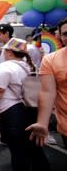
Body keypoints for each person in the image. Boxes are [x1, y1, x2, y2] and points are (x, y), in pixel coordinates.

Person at [0, 38, 49, 170]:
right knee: (34, 148)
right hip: (29, 109)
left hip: (11, 112)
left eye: (5, 51)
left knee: (17, 150)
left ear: (9, 52)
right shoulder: (28, 66)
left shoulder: (5, 66)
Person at [26, 17, 67, 148]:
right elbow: (47, 92)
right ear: (59, 36)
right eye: (66, 34)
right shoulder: (50, 60)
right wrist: (42, 123)